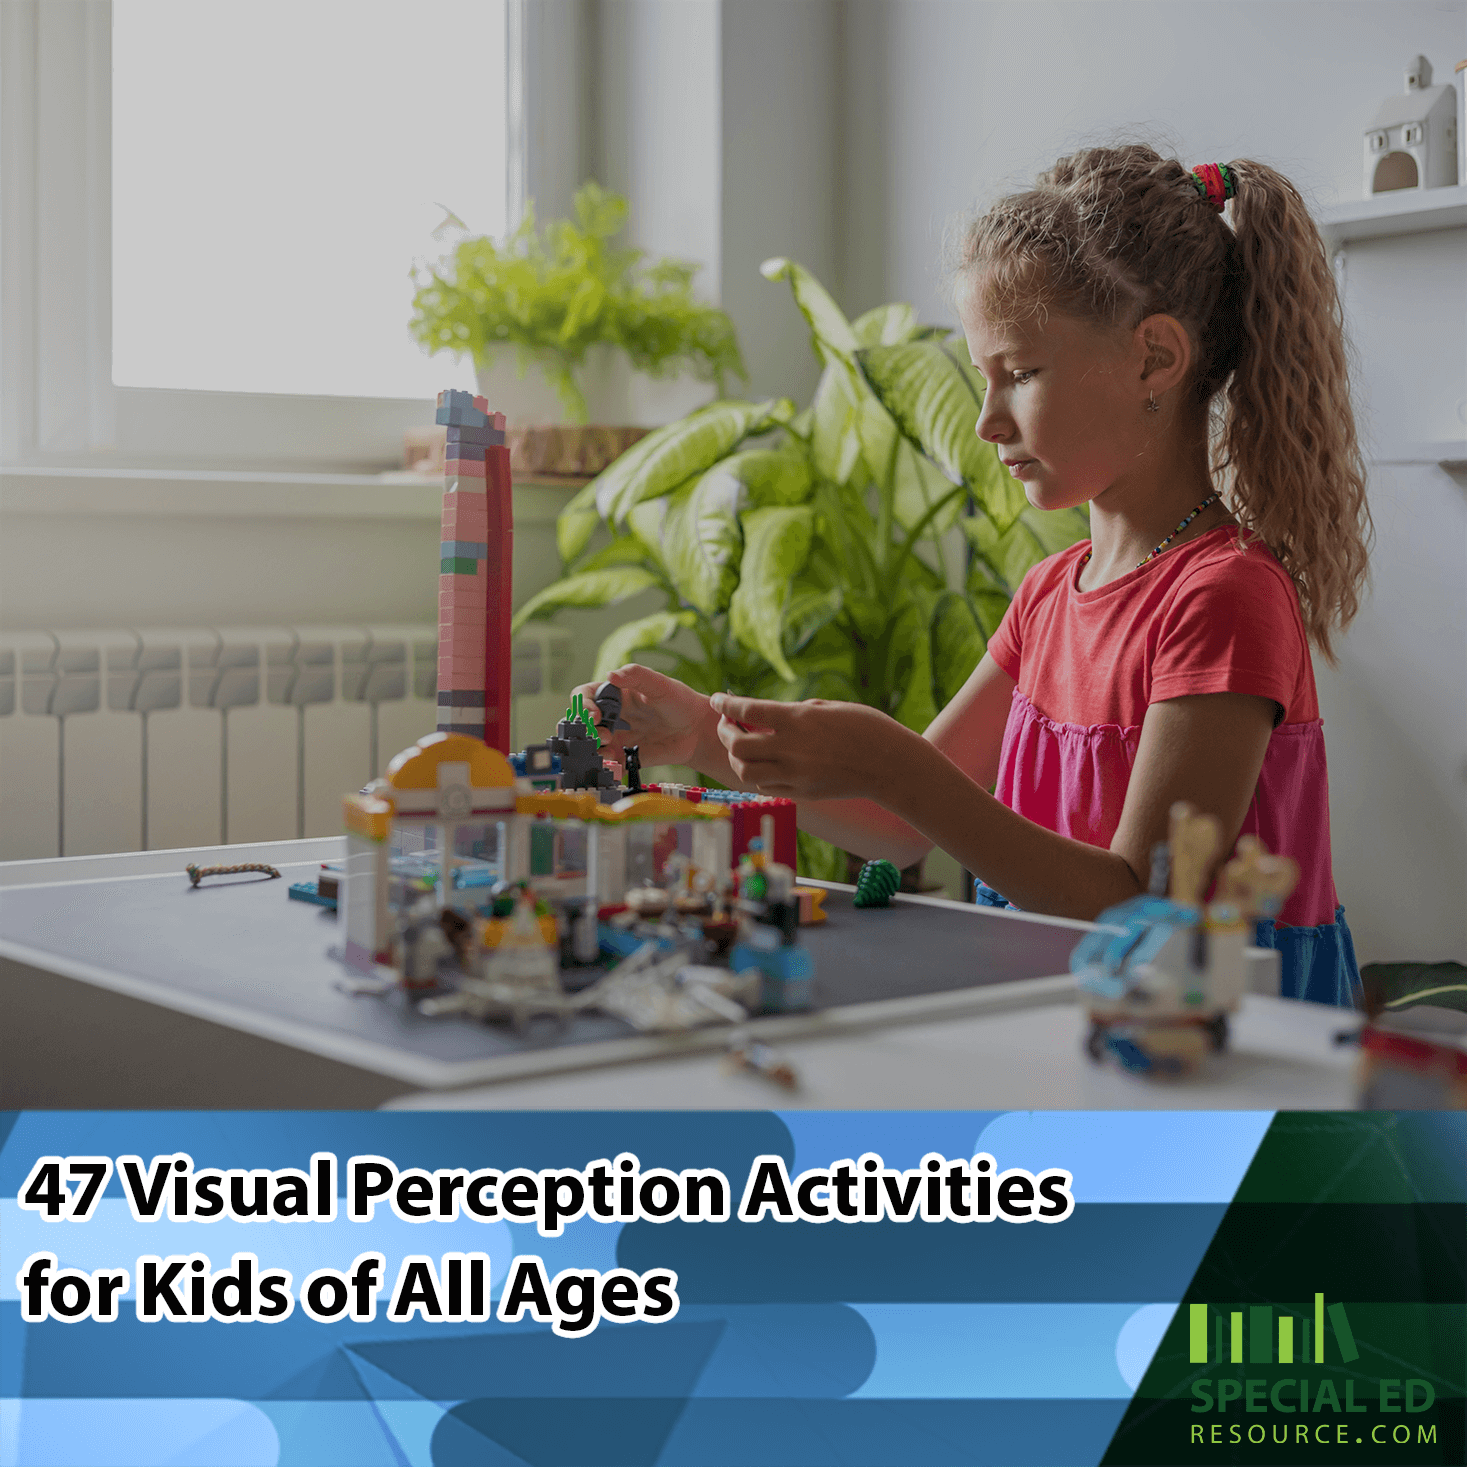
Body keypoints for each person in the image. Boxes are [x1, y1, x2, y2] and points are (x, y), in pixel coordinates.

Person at [573, 146, 1370, 1007]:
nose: (987, 421)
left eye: (1020, 373)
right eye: (981, 377)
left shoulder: (1224, 596)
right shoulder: (1045, 596)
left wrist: (896, 766)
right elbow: (894, 829)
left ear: (1154, 359)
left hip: (1212, 1050)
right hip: (1068, 1025)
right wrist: (701, 739)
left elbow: (1136, 901)